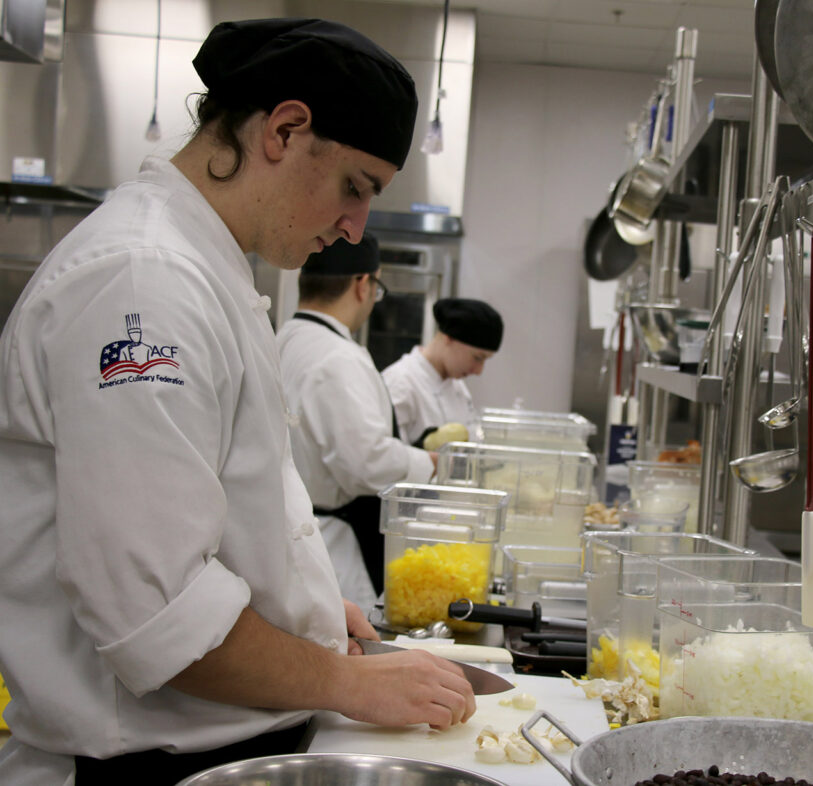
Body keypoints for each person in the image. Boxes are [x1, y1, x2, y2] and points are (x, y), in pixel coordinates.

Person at [0, 18, 475, 786]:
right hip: (132, 766)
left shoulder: (206, 272)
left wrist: (310, 617)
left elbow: (215, 520)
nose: (356, 227)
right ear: (285, 129)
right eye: (355, 186)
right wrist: (344, 681)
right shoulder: (143, 281)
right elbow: (156, 617)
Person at [277, 233, 436, 607]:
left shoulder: (287, 338)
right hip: (331, 547)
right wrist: (427, 463)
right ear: (363, 284)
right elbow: (366, 462)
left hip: (293, 534)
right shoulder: (336, 357)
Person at [382, 298, 503, 446]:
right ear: (449, 338)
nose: (479, 371)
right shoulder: (400, 382)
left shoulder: (457, 385)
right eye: (477, 358)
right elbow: (390, 458)